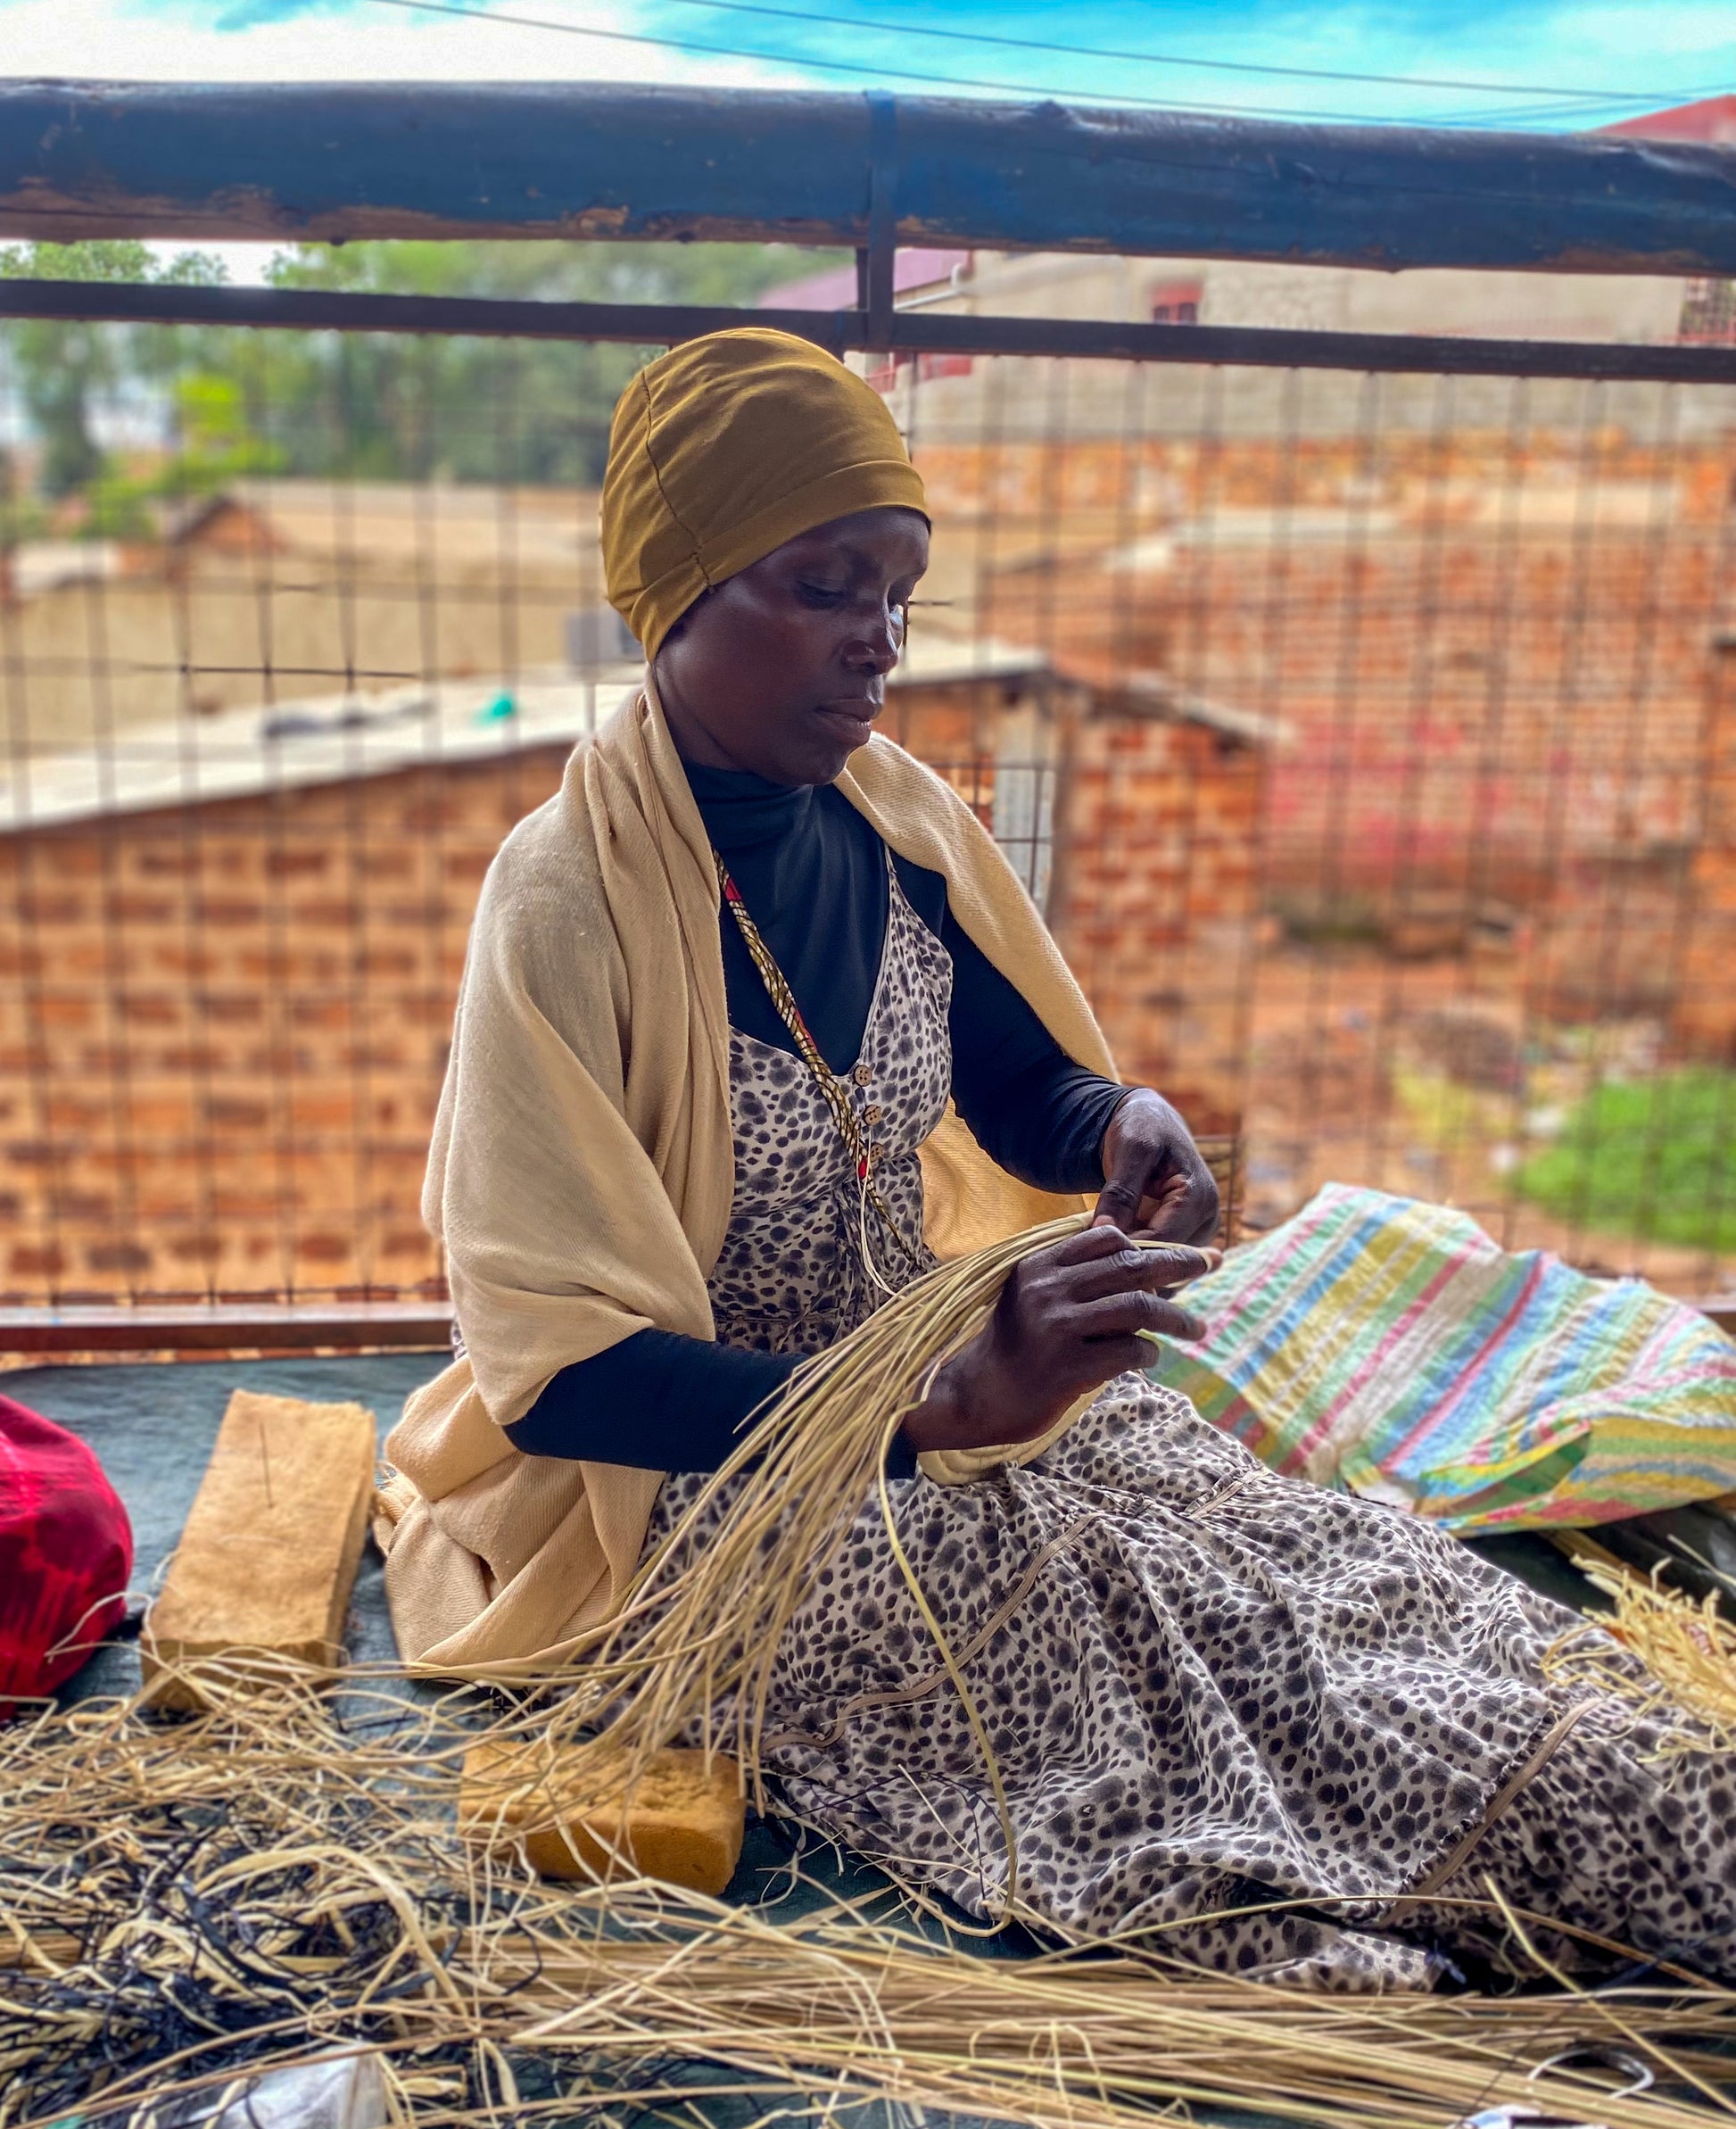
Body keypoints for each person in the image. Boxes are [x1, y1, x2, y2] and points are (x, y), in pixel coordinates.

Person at [384, 327, 1736, 2015]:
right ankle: (1550, 1891)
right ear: (672, 595)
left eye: (898, 595)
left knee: (1276, 1545)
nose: (877, 645)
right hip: (692, 1494)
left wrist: (1110, 1120)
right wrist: (926, 1409)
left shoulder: (893, 820)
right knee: (1084, 1628)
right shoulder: (562, 900)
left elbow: (1004, 1074)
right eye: (824, 586)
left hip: (945, 1381)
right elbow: (558, 1375)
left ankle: (1649, 1800)